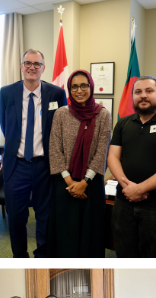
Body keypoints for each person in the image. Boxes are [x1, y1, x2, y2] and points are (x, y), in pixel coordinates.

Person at [0, 49, 69, 258]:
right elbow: (6, 125)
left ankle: (42, 257)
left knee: (44, 216)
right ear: (21, 66)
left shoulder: (56, 94)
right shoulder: (7, 92)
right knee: (16, 217)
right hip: (16, 165)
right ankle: (19, 257)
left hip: (44, 166)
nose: (31, 67)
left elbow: (61, 127)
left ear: (43, 68)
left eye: (36, 64)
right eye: (27, 63)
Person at [108, 75, 156, 257]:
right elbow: (113, 157)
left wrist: (139, 189)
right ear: (132, 96)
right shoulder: (123, 123)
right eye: (138, 92)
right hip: (124, 202)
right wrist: (128, 188)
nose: (143, 96)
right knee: (123, 253)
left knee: (153, 257)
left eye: (149, 91)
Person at [48, 70, 113, 257]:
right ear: (69, 89)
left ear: (91, 87)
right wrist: (70, 182)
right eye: (74, 86)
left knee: (90, 233)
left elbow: (103, 150)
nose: (79, 90)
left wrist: (84, 182)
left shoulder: (103, 114)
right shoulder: (61, 113)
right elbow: (54, 148)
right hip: (65, 184)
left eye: (84, 85)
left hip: (91, 184)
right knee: (65, 232)